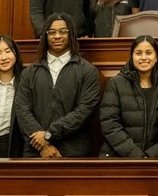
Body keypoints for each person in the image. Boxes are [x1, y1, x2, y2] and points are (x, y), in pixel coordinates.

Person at [14, 13, 101, 158]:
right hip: (36, 152)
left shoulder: (87, 71)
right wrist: (43, 145)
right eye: (52, 32)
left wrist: (49, 135)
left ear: (71, 34)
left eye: (63, 31)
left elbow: (84, 111)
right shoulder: (29, 72)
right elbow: (22, 110)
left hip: (74, 152)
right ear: (45, 36)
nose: (57, 36)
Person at [99, 35, 158, 158]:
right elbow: (110, 124)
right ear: (132, 57)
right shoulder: (116, 83)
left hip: (156, 160)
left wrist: (152, 155)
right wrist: (137, 156)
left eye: (148, 53)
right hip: (118, 158)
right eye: (138, 53)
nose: (143, 57)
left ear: (156, 57)